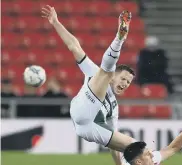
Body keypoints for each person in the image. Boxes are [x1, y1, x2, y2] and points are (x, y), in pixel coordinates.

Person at [41, 6, 136, 151]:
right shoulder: (95, 71)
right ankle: (119, 39)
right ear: (115, 76)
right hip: (79, 109)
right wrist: (55, 22)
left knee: (135, 146)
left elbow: (113, 139)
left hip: (86, 127)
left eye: (128, 82)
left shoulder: (114, 107)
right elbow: (74, 46)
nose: (125, 83)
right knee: (104, 72)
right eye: (123, 79)